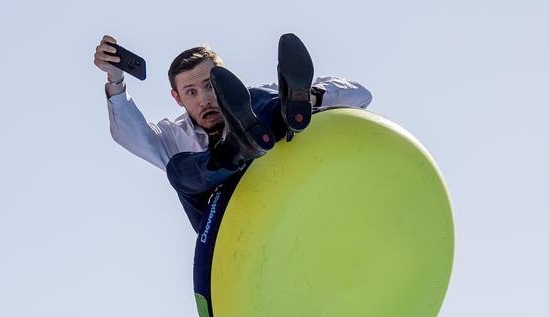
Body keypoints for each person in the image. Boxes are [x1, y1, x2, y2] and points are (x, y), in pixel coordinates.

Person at [94, 34, 373, 232]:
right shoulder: (174, 137)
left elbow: (361, 95)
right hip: (230, 228)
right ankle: (235, 149)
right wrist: (115, 78)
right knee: (178, 170)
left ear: (224, 79)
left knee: (261, 101)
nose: (204, 99)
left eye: (209, 85)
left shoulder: (256, 99)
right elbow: (128, 134)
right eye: (191, 92)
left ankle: (290, 110)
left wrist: (311, 98)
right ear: (177, 98)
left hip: (288, 197)